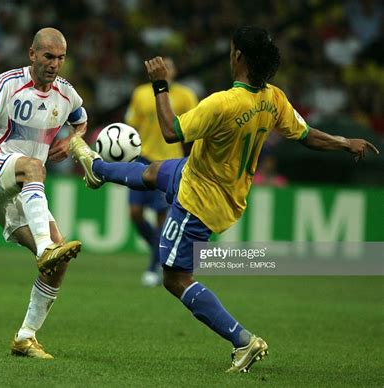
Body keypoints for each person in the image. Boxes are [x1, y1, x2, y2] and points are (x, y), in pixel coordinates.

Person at [69, 25, 379, 373]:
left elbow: (172, 131)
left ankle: (243, 341)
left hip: (200, 198)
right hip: (208, 178)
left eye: (231, 49)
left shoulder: (222, 103)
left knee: (175, 278)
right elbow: (305, 135)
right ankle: (97, 169)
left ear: (238, 56)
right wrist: (343, 142)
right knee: (154, 172)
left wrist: (159, 84)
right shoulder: (273, 98)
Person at [0, 27, 88, 359]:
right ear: (32, 54)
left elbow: (81, 120)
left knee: (58, 259)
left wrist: (72, 140)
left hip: (20, 191)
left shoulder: (66, 94)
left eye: (61, 58)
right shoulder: (7, 84)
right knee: (34, 167)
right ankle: (44, 248)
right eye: (48, 56)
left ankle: (25, 337)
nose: (55, 64)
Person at [124, 57, 198, 287]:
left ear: (175, 71)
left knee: (161, 220)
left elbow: (195, 129)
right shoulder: (140, 93)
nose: (166, 70)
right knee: (134, 213)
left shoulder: (186, 96)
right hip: (143, 158)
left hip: (170, 161)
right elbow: (131, 125)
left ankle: (152, 267)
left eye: (169, 67)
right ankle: (157, 250)